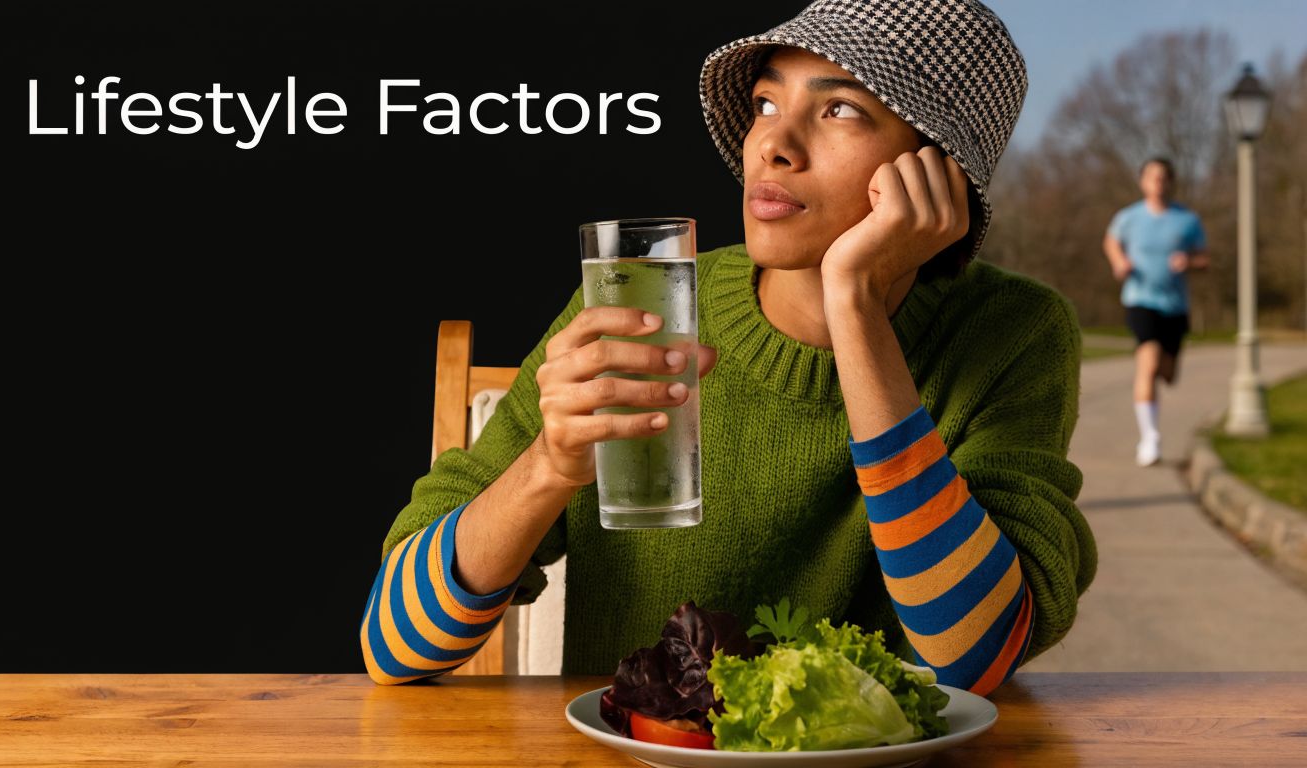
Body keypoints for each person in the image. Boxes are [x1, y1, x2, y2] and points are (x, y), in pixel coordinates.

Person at [361, 0, 1096, 696]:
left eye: (841, 109)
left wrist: (855, 305)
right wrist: (548, 468)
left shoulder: (1011, 330)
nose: (773, 144)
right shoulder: (637, 303)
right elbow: (392, 643)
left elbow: (978, 652)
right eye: (766, 105)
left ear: (938, 177)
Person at [1103, 157, 1211, 467]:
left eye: (1163, 177)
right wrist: (1119, 262)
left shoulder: (1187, 220)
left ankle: (1159, 383)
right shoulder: (1129, 218)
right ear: (1143, 182)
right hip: (1140, 299)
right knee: (1147, 363)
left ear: (1171, 182)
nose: (1158, 183)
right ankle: (1149, 438)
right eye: (1152, 177)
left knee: (1167, 373)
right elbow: (1110, 241)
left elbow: (1204, 258)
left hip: (1175, 306)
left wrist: (1188, 263)